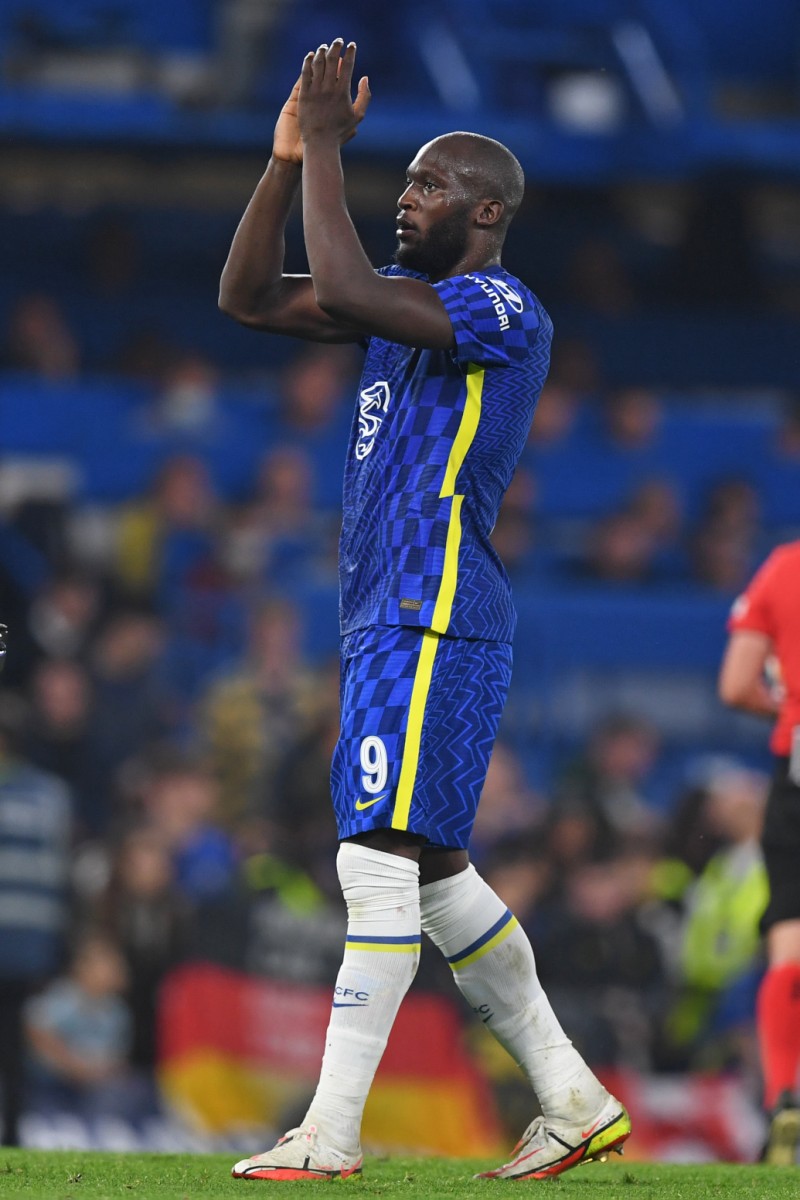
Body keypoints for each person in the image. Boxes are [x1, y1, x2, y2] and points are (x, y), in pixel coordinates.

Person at [219, 39, 630, 1182]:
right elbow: (248, 297)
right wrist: (284, 158)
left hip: (429, 610)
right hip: (398, 619)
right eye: (397, 183)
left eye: (427, 185)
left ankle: (331, 1130)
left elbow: (343, 287)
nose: (404, 200)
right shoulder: (404, 316)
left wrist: (332, 156)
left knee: (374, 861)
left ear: (486, 209)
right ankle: (571, 1097)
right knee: (435, 871)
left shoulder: (499, 304)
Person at [719, 540, 800, 1164]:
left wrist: (790, 707)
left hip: (794, 773)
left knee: (789, 951)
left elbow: (737, 685)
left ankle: (784, 1106)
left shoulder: (782, 566)